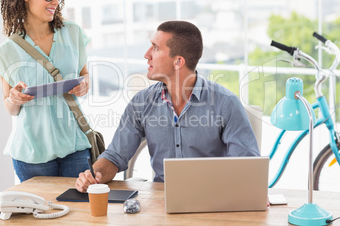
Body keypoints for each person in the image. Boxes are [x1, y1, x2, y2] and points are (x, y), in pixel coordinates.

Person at [75, 20, 260, 192]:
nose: (146, 55)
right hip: (161, 201)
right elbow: (115, 156)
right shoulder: (141, 103)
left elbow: (247, 167)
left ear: (178, 61)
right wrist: (94, 175)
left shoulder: (225, 103)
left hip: (213, 198)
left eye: (155, 48)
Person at [0, 0, 92, 182]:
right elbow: (9, 108)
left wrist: (84, 84)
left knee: (81, 213)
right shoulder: (6, 51)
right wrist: (14, 98)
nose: (55, 1)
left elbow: (85, 75)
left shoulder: (73, 33)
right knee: (41, 214)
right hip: (31, 152)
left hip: (74, 144)